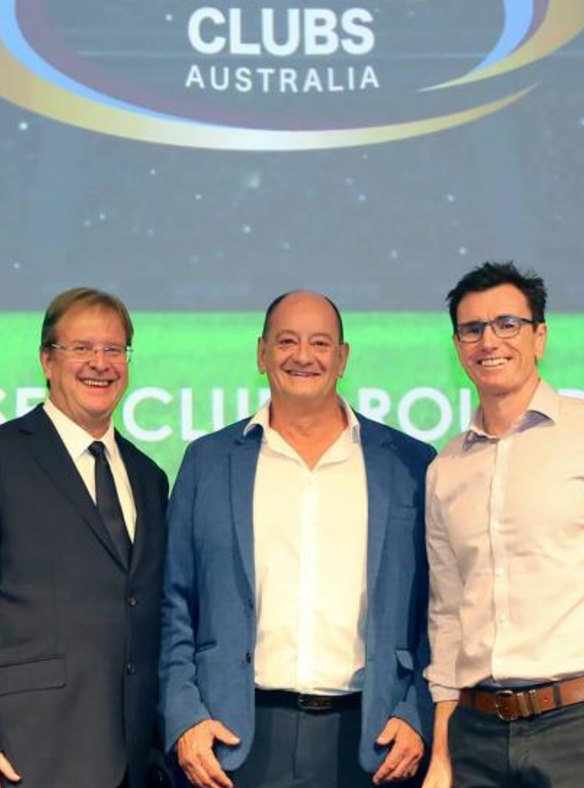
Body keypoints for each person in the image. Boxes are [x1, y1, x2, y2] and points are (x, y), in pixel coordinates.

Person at [159, 290, 435, 788]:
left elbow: (440, 606)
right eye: (286, 341)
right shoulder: (208, 461)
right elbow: (174, 601)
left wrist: (418, 713)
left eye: (320, 343)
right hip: (233, 740)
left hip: (373, 741)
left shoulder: (410, 463)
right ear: (261, 353)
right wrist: (185, 717)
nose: (303, 356)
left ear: (343, 357)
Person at [423, 261, 584, 788]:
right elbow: (447, 618)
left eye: (507, 324)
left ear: (540, 336)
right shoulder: (446, 469)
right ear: (457, 345)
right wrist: (443, 756)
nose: (489, 341)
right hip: (476, 737)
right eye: (472, 329)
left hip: (574, 726)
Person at [0, 288, 169, 788]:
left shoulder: (149, 477)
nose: (101, 363)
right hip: (30, 754)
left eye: (115, 349)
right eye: (82, 348)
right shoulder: (6, 457)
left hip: (136, 762)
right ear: (47, 361)